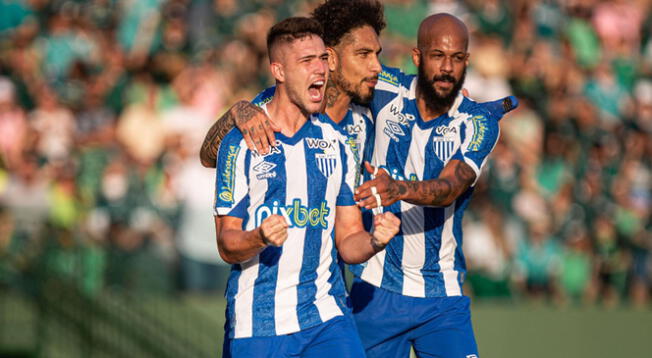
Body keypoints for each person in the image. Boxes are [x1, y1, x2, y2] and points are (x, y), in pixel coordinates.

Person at [213, 17, 400, 358]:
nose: (320, 70)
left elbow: (348, 240)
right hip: (260, 323)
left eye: (322, 59)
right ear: (279, 71)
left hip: (326, 317)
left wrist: (374, 241)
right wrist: (259, 238)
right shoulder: (240, 143)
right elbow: (227, 244)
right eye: (306, 61)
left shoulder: (338, 142)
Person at [349, 13, 514, 358]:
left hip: (442, 297)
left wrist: (398, 189)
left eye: (456, 58)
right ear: (417, 57)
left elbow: (450, 187)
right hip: (377, 291)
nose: (447, 68)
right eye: (437, 56)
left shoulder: (477, 122)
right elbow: (330, 78)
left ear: (466, 61)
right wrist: (249, 108)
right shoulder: (384, 89)